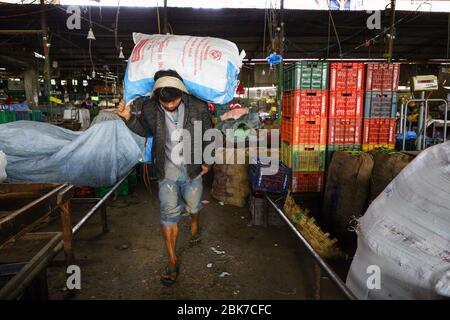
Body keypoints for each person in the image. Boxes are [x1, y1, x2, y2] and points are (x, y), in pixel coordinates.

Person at [116, 69, 212, 286]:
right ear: (157, 96)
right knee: (169, 215)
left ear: (182, 93)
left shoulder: (198, 106)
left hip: (193, 168)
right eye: (165, 102)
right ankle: (171, 261)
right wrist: (128, 118)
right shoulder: (149, 107)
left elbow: (208, 134)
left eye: (175, 101)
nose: (170, 106)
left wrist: (207, 161)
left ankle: (195, 222)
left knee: (193, 206)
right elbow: (145, 130)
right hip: (166, 171)